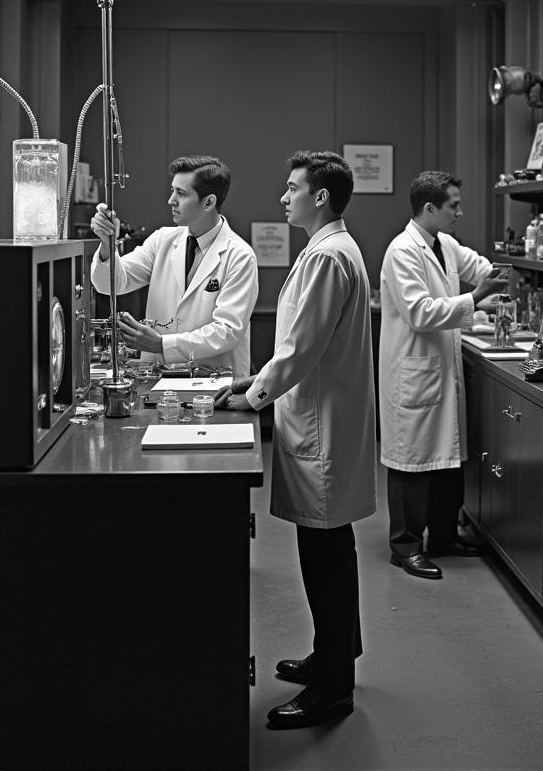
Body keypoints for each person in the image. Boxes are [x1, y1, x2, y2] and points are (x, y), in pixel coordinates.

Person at [214, 150, 375, 730]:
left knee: (325, 554)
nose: (283, 198)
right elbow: (297, 345)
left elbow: (300, 350)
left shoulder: (329, 257)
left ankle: (333, 688)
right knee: (331, 549)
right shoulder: (329, 249)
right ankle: (333, 655)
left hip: (322, 426)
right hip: (321, 417)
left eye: (292, 188)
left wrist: (251, 397)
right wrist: (252, 381)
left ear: (321, 196)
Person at [379, 170, 509, 580]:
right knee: (412, 463)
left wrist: (495, 278)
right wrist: (477, 297)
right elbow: (420, 312)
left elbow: (481, 268)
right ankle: (405, 546)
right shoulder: (402, 251)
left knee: (448, 463)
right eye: (454, 205)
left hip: (441, 368)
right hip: (414, 369)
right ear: (430, 208)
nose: (460, 212)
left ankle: (444, 537)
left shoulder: (445, 244)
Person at [90, 155, 258, 374]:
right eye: (172, 191)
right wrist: (107, 244)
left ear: (209, 202)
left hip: (215, 384)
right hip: (160, 377)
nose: (171, 200)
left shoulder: (240, 256)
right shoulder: (163, 240)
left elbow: (227, 331)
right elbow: (110, 284)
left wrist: (161, 344)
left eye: (181, 193)